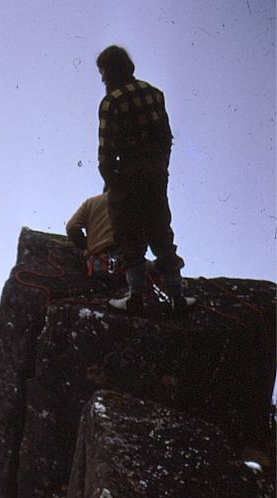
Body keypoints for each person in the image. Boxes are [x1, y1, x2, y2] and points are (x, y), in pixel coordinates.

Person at [96, 44, 193, 316]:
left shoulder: (110, 102)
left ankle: (135, 297)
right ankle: (177, 297)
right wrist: (160, 168)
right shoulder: (155, 94)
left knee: (129, 238)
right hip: (155, 174)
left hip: (126, 179)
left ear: (113, 71)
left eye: (103, 72)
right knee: (161, 232)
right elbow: (166, 137)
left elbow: (106, 154)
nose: (103, 78)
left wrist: (111, 182)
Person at [65, 192, 116, 273]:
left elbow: (71, 227)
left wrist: (88, 246)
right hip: (122, 259)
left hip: (97, 261)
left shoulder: (91, 202)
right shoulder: (131, 202)